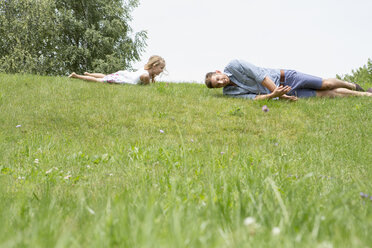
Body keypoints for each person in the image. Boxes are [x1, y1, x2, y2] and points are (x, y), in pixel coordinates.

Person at [204, 59, 372, 100]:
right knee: (327, 94)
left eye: (218, 78)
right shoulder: (230, 92)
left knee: (326, 84)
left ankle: (352, 85)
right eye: (217, 84)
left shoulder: (234, 65)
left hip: (287, 77)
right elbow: (253, 99)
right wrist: (274, 95)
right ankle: (366, 97)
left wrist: (279, 93)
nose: (221, 82)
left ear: (219, 71)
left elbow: (260, 76)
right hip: (281, 92)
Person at [69, 55, 166, 85]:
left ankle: (89, 73)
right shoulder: (146, 74)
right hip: (123, 79)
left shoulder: (145, 69)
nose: (161, 70)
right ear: (154, 66)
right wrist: (147, 84)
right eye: (161, 68)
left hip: (124, 74)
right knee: (100, 80)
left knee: (105, 75)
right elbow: (144, 77)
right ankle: (76, 76)